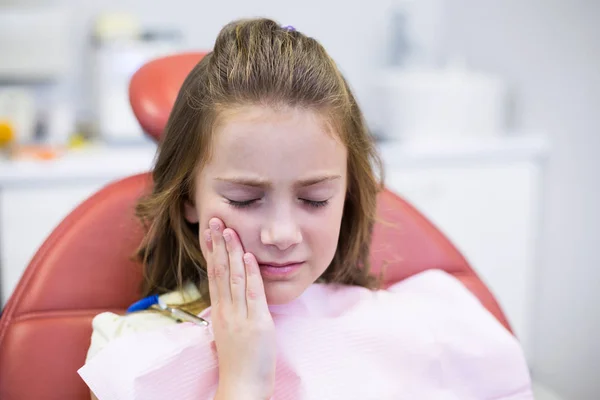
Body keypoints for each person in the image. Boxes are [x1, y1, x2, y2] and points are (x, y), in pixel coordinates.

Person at [80, 18, 533, 400]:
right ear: (188, 200)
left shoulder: (426, 319)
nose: (282, 233)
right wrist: (243, 380)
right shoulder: (130, 352)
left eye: (314, 199)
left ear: (348, 196)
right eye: (245, 199)